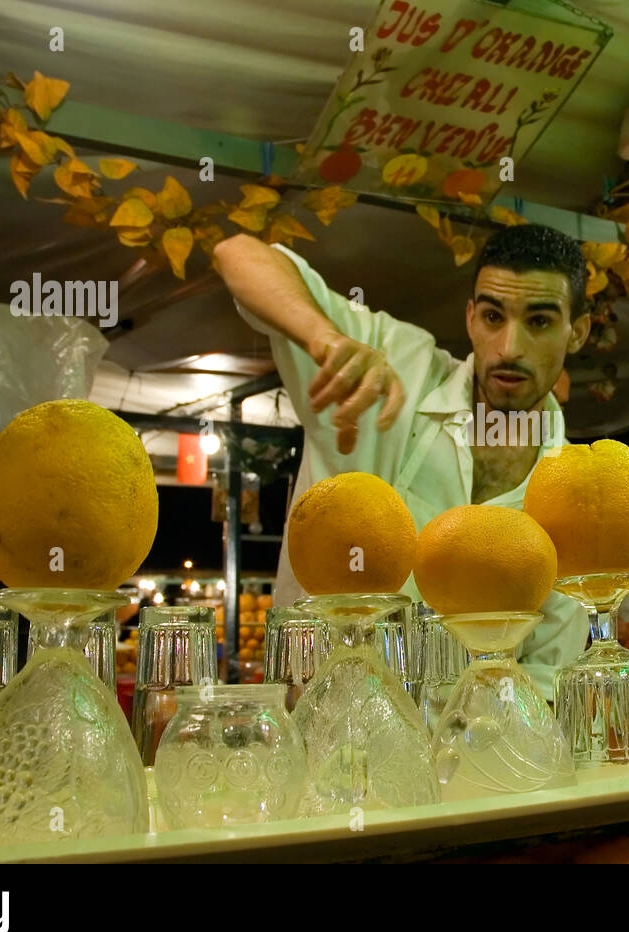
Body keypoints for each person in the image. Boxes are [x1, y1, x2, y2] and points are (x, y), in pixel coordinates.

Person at [212, 225, 592, 700]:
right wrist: (325, 340)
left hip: (472, 748)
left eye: (539, 321)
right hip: (319, 719)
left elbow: (547, 676)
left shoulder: (572, 490)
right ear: (471, 318)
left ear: (577, 331)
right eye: (494, 316)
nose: (509, 347)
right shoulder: (398, 365)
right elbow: (238, 254)